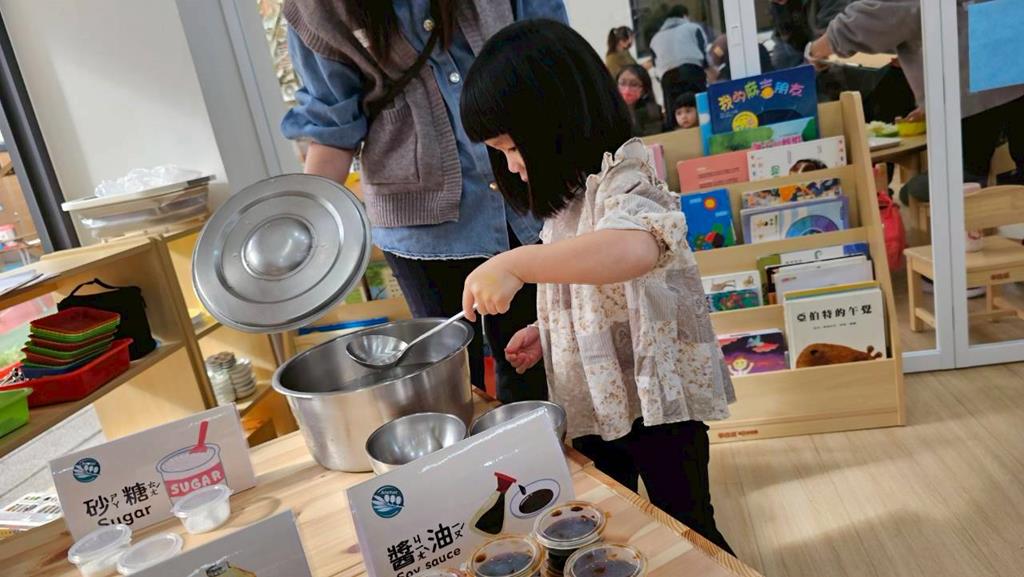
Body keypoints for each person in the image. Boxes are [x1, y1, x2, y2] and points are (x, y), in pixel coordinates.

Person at [459, 19, 736, 554]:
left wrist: (518, 263)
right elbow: (591, 286)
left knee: (688, 527)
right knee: (610, 523)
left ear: (557, 120)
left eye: (513, 148)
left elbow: (632, 250)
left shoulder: (626, 176)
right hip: (594, 399)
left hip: (657, 406)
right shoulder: (567, 202)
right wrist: (548, 327)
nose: (512, 166)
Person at [280, 0, 568, 403]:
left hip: (530, 190)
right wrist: (303, 237)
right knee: (447, 387)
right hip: (420, 226)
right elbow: (332, 123)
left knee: (540, 364)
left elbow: (555, 54)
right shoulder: (317, 8)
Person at [807, 0, 1024, 185]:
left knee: (959, 186)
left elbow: (881, 14)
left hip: (976, 83)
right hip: (1005, 63)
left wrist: (817, 51)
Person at [649, 6, 709, 117]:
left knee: (675, 113)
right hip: (692, 72)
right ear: (685, 15)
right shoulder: (693, 28)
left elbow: (655, 67)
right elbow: (704, 53)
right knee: (701, 110)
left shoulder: (655, 39)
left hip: (668, 78)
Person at [616, 65, 664, 136]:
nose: (627, 89)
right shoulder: (609, 111)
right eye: (622, 83)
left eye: (634, 84)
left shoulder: (652, 111)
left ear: (644, 90)